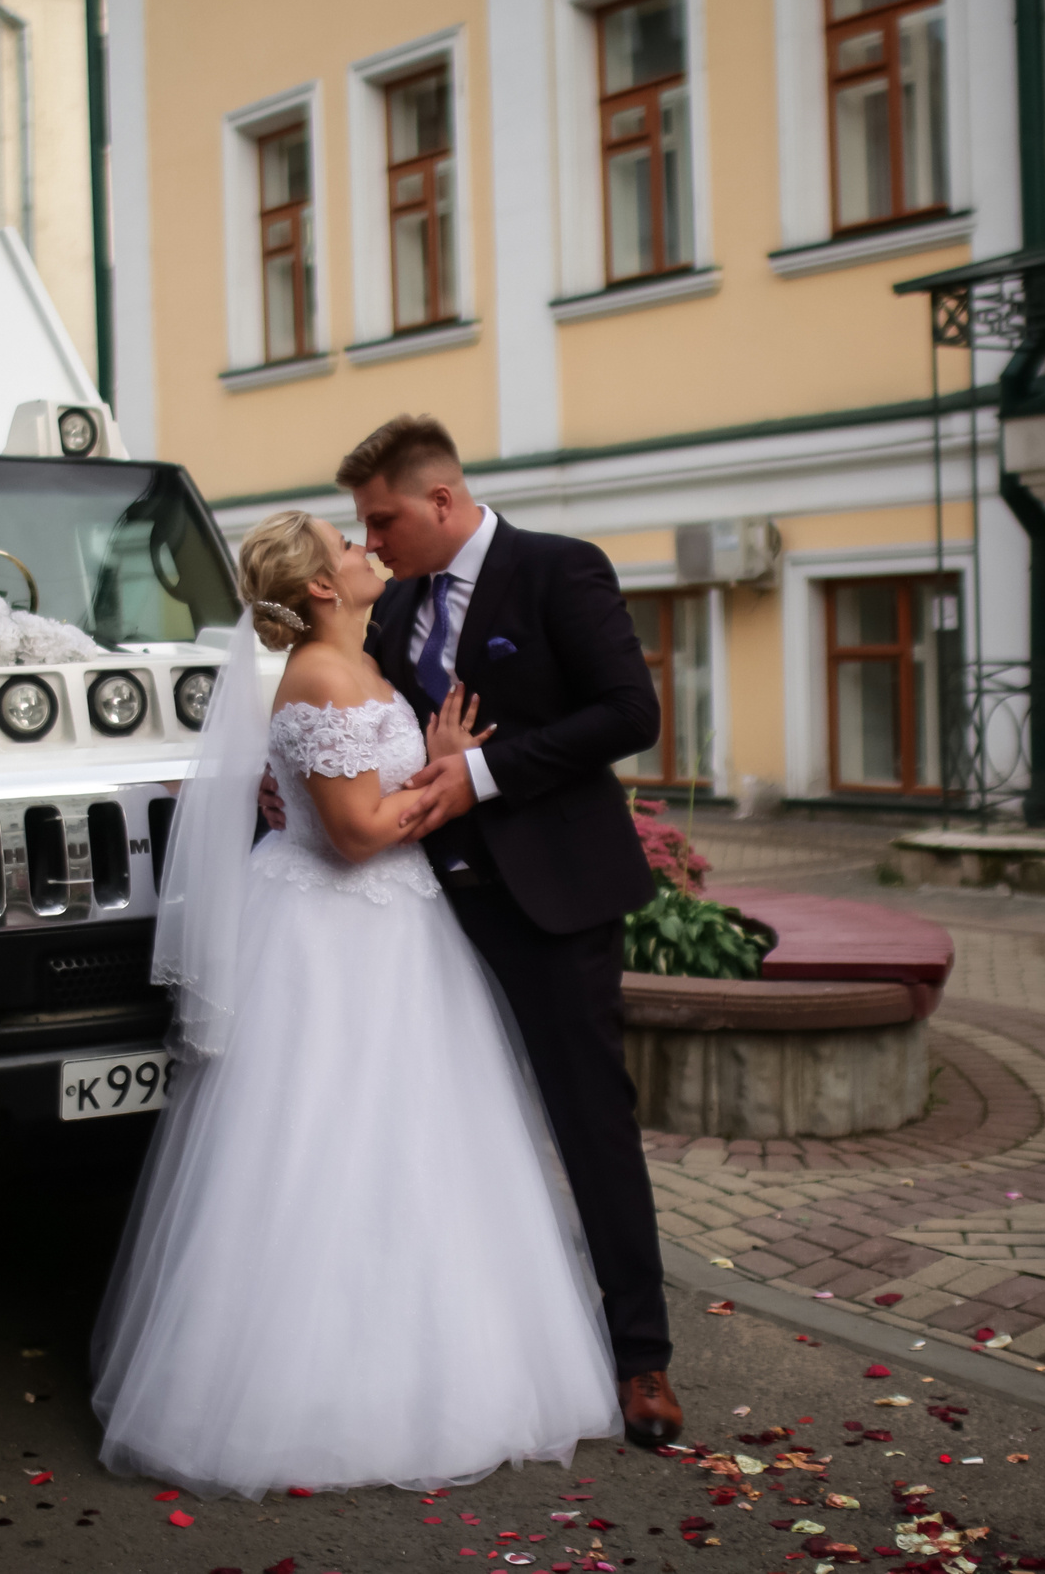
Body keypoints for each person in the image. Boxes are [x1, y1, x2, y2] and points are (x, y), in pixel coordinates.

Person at [89, 509, 621, 1500]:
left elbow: (350, 797)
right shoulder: (324, 678)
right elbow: (353, 837)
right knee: (320, 1141)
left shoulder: (365, 664)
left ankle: (429, 1362)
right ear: (322, 587)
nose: (366, 549)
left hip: (397, 931)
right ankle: (308, 1393)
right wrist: (446, 778)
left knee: (415, 1144)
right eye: (347, 545)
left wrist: (427, 764)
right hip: (330, 938)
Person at [263, 415, 682, 1450]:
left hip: (550, 900)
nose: (372, 542)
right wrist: (282, 792)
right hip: (419, 912)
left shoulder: (558, 570)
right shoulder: (391, 604)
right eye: (360, 530)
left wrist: (482, 774)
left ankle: (641, 1358)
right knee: (432, 1128)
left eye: (382, 521)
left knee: (589, 1119)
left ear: (441, 501)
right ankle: (445, 1339)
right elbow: (343, 735)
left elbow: (629, 713)